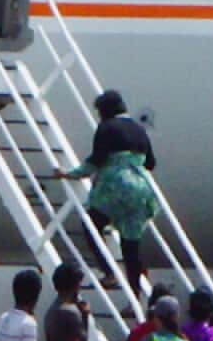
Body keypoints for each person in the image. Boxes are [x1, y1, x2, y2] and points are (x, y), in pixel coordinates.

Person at [53, 90, 158, 292]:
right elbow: (151, 163)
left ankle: (109, 272)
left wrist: (68, 174)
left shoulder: (106, 128)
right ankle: (135, 296)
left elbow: (95, 161)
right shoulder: (139, 129)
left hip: (115, 187)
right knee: (131, 249)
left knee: (92, 224)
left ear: (105, 110)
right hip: (140, 189)